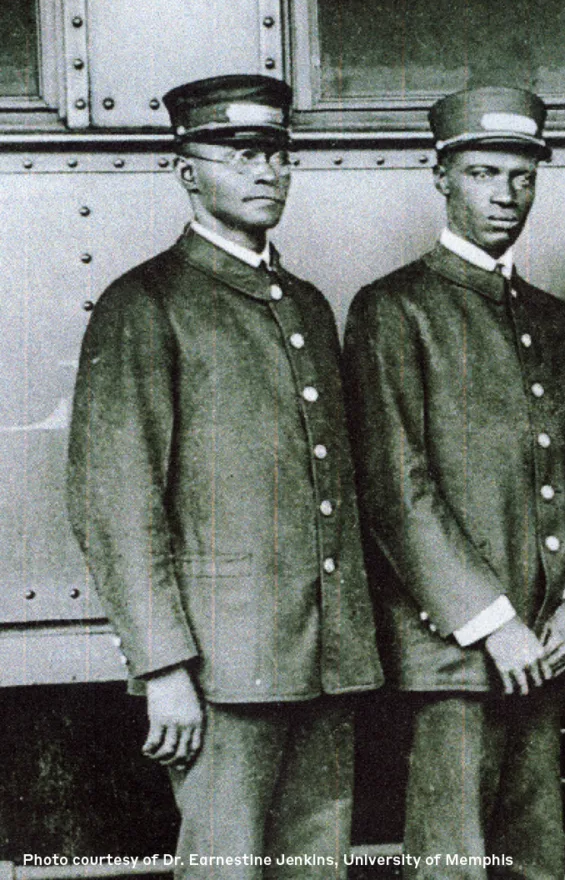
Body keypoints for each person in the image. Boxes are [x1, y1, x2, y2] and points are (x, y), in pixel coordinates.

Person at [65, 74, 381, 877]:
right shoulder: (146, 303)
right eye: (241, 155)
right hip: (222, 667)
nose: (266, 172)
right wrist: (163, 667)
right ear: (186, 171)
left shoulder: (304, 303)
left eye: (278, 153)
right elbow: (116, 504)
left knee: (316, 867)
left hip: (320, 662)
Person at [342, 87, 565, 879]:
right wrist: (493, 623)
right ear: (442, 177)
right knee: (450, 864)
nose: (505, 196)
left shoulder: (551, 318)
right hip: (455, 652)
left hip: (544, 644)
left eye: (522, 178)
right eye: (484, 174)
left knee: (535, 861)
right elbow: (395, 489)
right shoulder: (394, 309)